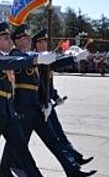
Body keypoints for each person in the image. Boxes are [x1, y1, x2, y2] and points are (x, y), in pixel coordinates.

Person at [0, 25, 96, 177]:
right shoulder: (15, 55)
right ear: (16, 41)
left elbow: (42, 80)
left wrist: (46, 102)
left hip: (36, 106)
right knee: (15, 143)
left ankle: (73, 171)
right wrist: (38, 57)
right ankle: (4, 172)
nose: (28, 40)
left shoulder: (31, 55)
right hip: (22, 107)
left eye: (28, 37)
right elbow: (23, 62)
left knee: (53, 140)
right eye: (24, 37)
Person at [0, 22, 60, 177]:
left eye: (8, 38)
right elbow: (12, 62)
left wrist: (38, 57)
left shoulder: (9, 57)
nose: (9, 41)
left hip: (8, 109)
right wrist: (35, 59)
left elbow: (19, 60)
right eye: (5, 38)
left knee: (20, 147)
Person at [32, 28, 94, 165]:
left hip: (47, 103)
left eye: (45, 42)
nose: (44, 45)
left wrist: (56, 97)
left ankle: (75, 158)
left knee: (58, 133)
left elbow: (49, 84)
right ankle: (12, 162)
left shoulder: (47, 58)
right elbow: (55, 66)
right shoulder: (37, 60)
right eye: (41, 42)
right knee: (23, 138)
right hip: (38, 105)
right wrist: (75, 58)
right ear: (35, 45)